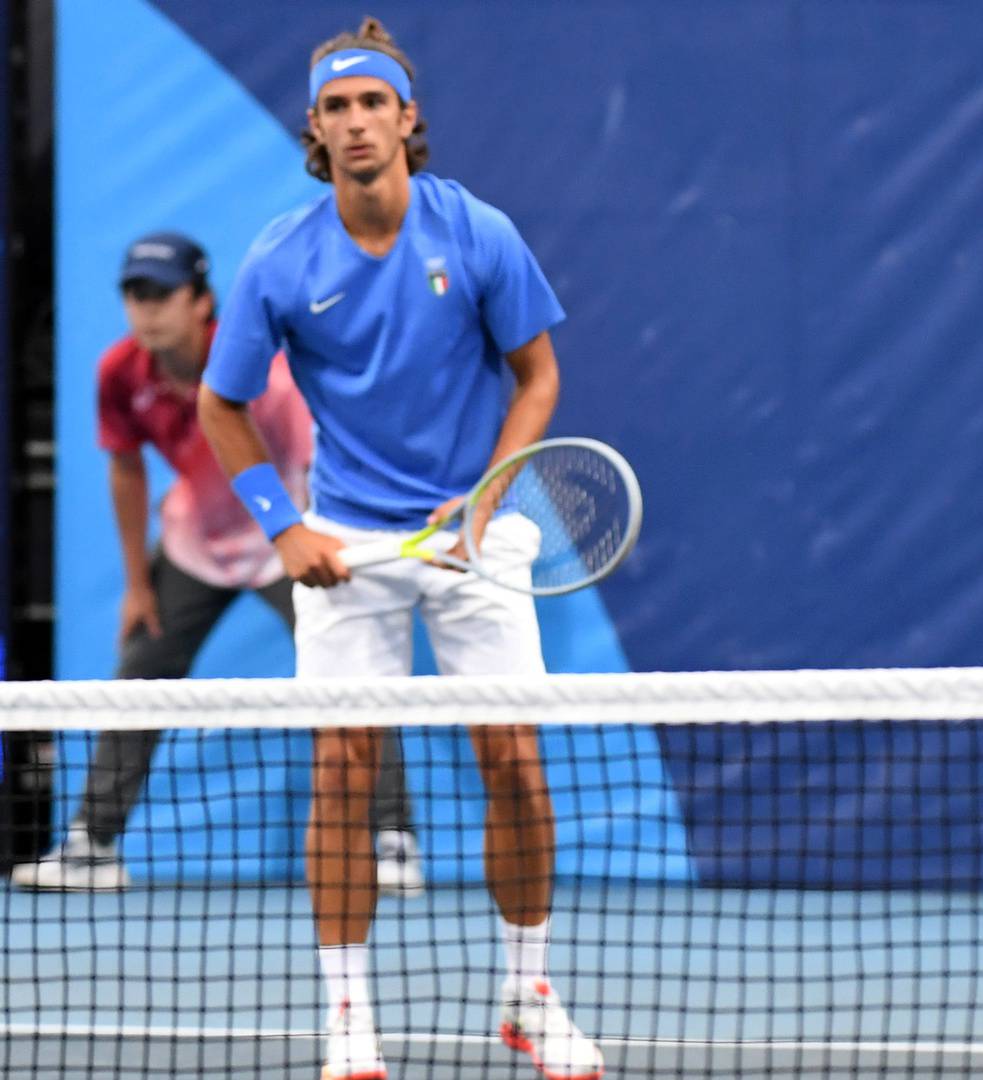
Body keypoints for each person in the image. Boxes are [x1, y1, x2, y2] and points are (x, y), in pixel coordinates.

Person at [196, 19, 600, 1080]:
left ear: (407, 120)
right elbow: (221, 405)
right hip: (351, 538)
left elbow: (539, 377)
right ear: (316, 134)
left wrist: (488, 499)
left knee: (513, 762)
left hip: (478, 530)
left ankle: (527, 995)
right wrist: (285, 528)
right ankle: (347, 1019)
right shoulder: (282, 258)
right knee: (343, 772)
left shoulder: (478, 234)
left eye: (375, 103)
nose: (358, 122)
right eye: (337, 109)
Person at [10, 232, 423, 898]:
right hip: (193, 544)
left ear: (202, 301)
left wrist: (326, 538)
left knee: (352, 672)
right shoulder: (120, 372)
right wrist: (137, 586)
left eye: (161, 295)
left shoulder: (261, 373)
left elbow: (319, 461)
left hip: (289, 537)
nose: (146, 311)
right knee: (141, 674)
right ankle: (93, 846)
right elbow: (125, 471)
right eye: (134, 295)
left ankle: (393, 838)